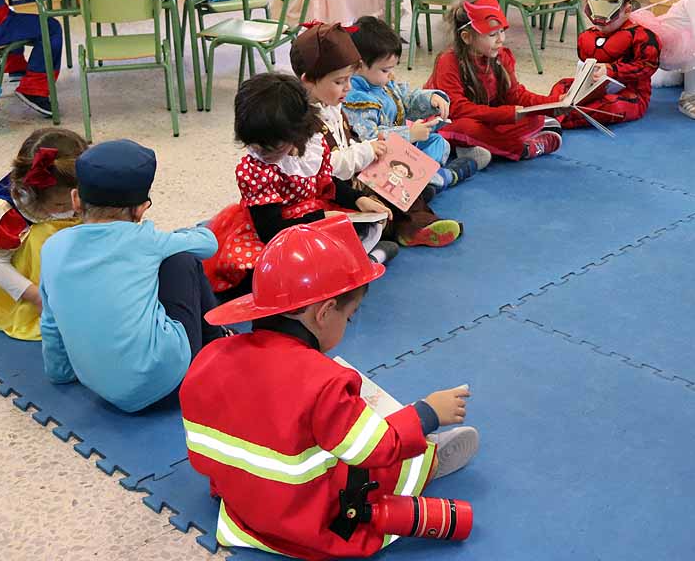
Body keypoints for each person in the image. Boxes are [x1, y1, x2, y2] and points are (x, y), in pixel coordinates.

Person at [181, 214, 479, 558]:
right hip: (311, 524)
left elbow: (207, 447)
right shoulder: (324, 382)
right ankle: (431, 460)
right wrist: (427, 412)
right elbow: (375, 448)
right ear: (323, 314)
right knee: (384, 456)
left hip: (243, 512)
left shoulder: (210, 356)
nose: (348, 324)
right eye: (349, 317)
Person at [39, 140, 226, 412]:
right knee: (181, 261)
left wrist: (60, 372)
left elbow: (51, 322)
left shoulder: (52, 247)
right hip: (170, 382)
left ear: (76, 199)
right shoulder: (146, 239)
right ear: (141, 209)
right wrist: (172, 238)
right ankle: (218, 346)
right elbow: (208, 244)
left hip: (99, 386)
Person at [204, 72, 399, 299]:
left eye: (273, 148)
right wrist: (321, 220)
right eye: (255, 147)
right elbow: (270, 232)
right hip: (279, 231)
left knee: (376, 224)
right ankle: (361, 263)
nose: (262, 154)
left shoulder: (312, 147)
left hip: (316, 214)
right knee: (263, 270)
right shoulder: (256, 170)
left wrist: (358, 199)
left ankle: (357, 262)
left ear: (297, 134)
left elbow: (326, 182)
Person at [291, 24, 462, 248]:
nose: (347, 87)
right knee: (382, 195)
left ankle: (411, 223)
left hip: (348, 184)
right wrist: (368, 149)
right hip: (329, 194)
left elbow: (350, 141)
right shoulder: (304, 122)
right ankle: (402, 228)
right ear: (309, 80)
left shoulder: (332, 105)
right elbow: (327, 169)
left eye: (349, 79)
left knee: (394, 176)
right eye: (339, 82)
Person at [0, 128, 87, 341]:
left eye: (77, 196)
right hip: (13, 261)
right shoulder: (4, 212)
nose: (73, 206)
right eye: (61, 204)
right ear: (32, 192)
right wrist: (37, 297)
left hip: (55, 247)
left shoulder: (73, 181)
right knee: (42, 237)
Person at [344, 17, 480, 191]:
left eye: (392, 68)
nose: (390, 74)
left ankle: (427, 180)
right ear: (359, 66)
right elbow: (368, 138)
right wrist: (409, 134)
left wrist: (431, 99)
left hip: (399, 149)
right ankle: (440, 178)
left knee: (438, 142)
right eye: (385, 70)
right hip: (375, 158)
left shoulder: (381, 83)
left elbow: (405, 99)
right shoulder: (355, 98)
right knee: (415, 157)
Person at [425, 0, 563, 162]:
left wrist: (555, 103)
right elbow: (456, 109)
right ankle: (524, 149)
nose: (501, 39)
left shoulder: (501, 56)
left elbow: (516, 95)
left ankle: (478, 146)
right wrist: (505, 114)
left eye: (501, 31)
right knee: (466, 129)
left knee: (535, 119)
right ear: (467, 37)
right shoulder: (448, 61)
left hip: (485, 118)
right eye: (492, 35)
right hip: (449, 122)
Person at [548, 0, 661, 129]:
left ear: (626, 10)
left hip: (630, 94)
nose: (601, 27)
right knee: (562, 85)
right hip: (592, 88)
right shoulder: (590, 35)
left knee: (612, 106)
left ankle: (555, 120)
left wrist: (612, 70)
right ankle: (553, 111)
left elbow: (647, 66)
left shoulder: (642, 37)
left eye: (607, 23)